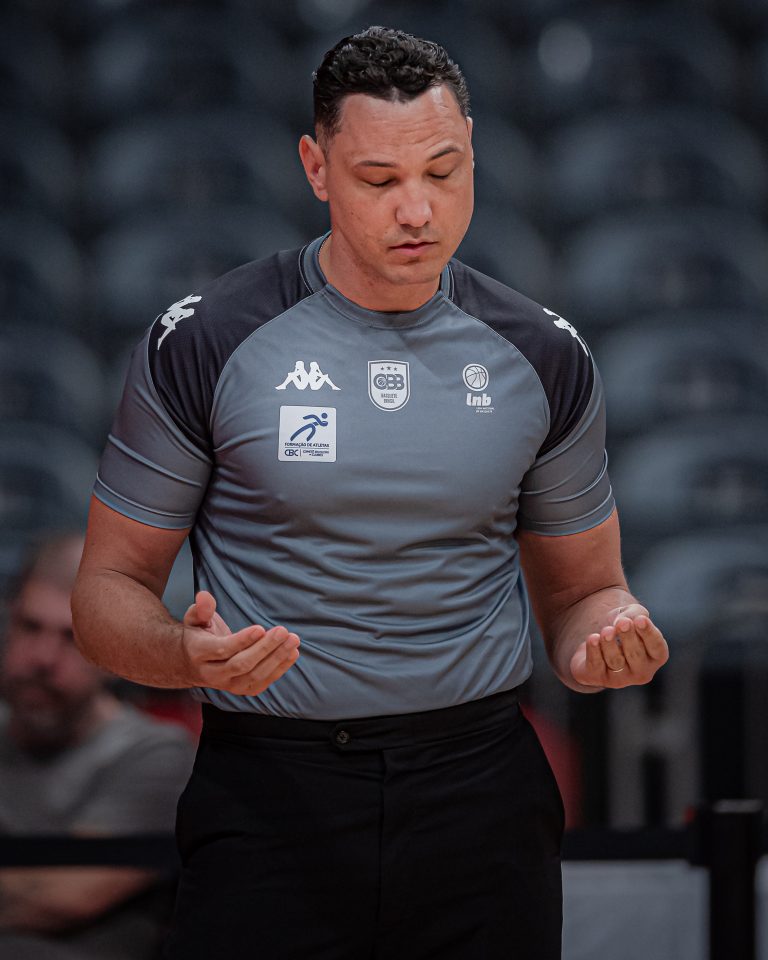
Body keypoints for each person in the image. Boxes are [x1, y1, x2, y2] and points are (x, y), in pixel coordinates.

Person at [71, 26, 669, 960]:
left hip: (479, 788)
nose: (417, 209)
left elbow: (584, 591)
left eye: (444, 171)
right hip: (272, 791)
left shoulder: (543, 353)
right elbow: (105, 591)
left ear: (474, 155)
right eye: (379, 179)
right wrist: (183, 656)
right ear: (316, 168)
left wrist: (602, 644)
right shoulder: (207, 340)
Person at [0, 533, 195, 960]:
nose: (43, 658)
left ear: (112, 654)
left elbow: (58, 898)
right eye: (30, 627)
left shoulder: (155, 754)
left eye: (71, 638)